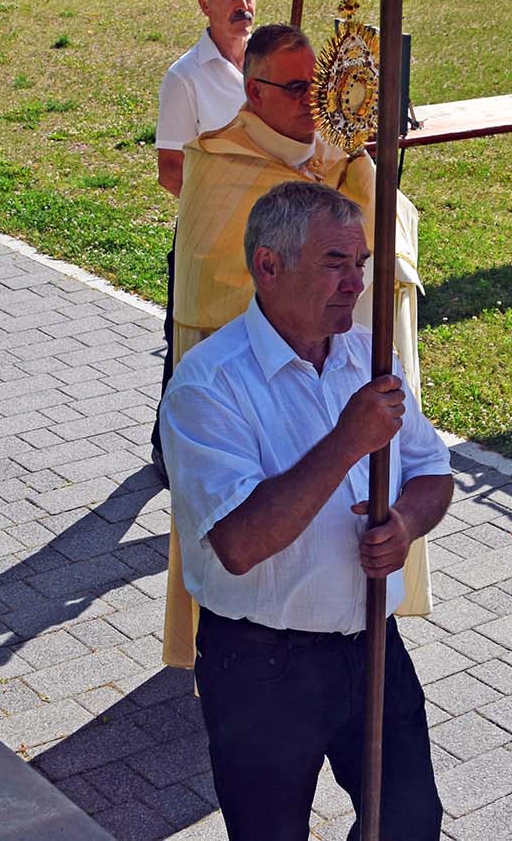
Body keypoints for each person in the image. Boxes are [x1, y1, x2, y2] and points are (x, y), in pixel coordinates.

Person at [160, 180, 450, 841]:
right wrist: (348, 439)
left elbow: (433, 471)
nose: (355, 283)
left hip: (373, 646)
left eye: (361, 263)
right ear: (268, 265)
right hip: (263, 667)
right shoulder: (208, 385)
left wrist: (407, 522)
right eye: (334, 262)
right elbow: (239, 543)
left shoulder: (369, 358)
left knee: (408, 824)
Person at [161, 21, 427, 668]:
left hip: (333, 374)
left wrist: (360, 172)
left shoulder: (336, 156)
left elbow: (386, 236)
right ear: (253, 90)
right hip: (254, 390)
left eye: (322, 85)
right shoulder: (218, 161)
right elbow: (214, 273)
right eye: (297, 88)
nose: (315, 103)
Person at [155, 0, 253, 197]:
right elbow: (171, 170)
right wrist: (218, 210)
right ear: (205, 5)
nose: (243, 6)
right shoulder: (184, 77)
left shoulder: (276, 63)